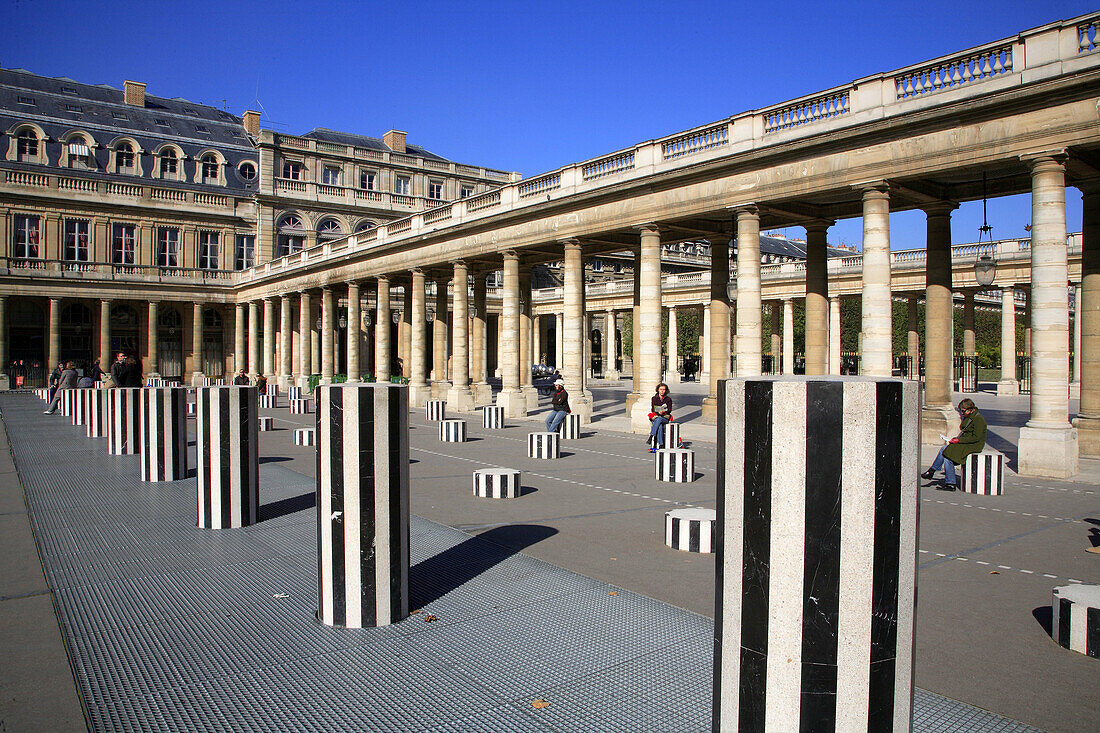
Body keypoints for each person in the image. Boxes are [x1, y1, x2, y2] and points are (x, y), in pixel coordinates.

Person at [922, 398, 987, 491]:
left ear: (970, 409)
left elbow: (976, 437)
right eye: (961, 411)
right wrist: (957, 439)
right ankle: (949, 483)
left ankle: (933, 472)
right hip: (966, 442)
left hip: (974, 444)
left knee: (946, 451)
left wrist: (959, 441)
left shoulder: (978, 419)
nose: (962, 413)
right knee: (946, 452)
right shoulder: (969, 416)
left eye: (963, 411)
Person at [648, 382, 676, 452]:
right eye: (661, 389)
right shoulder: (654, 398)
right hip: (657, 416)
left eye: (664, 389)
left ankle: (651, 436)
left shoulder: (668, 399)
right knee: (659, 424)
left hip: (664, 417)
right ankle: (661, 444)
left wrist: (664, 412)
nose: (662, 391)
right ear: (658, 390)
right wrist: (658, 412)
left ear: (666, 390)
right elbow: (653, 409)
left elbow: (669, 410)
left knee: (659, 419)